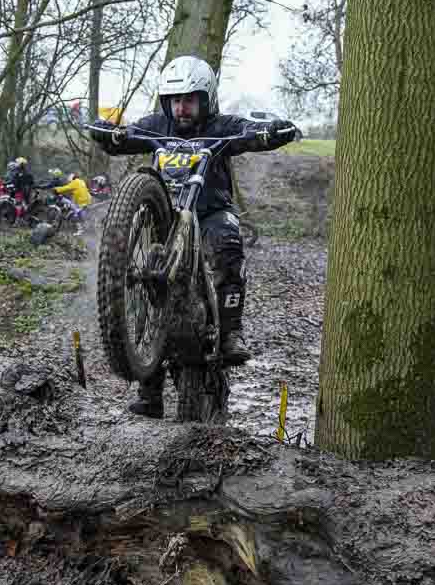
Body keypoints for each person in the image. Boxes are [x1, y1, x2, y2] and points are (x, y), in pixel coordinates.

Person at [91, 54, 296, 419]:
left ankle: (231, 331)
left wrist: (268, 132)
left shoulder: (220, 126)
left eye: (189, 99)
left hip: (211, 211)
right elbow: (124, 137)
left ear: (206, 100)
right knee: (152, 289)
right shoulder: (157, 125)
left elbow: (250, 131)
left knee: (229, 241)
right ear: (165, 101)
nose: (181, 108)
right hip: (166, 216)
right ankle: (148, 389)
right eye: (175, 100)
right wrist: (108, 134)